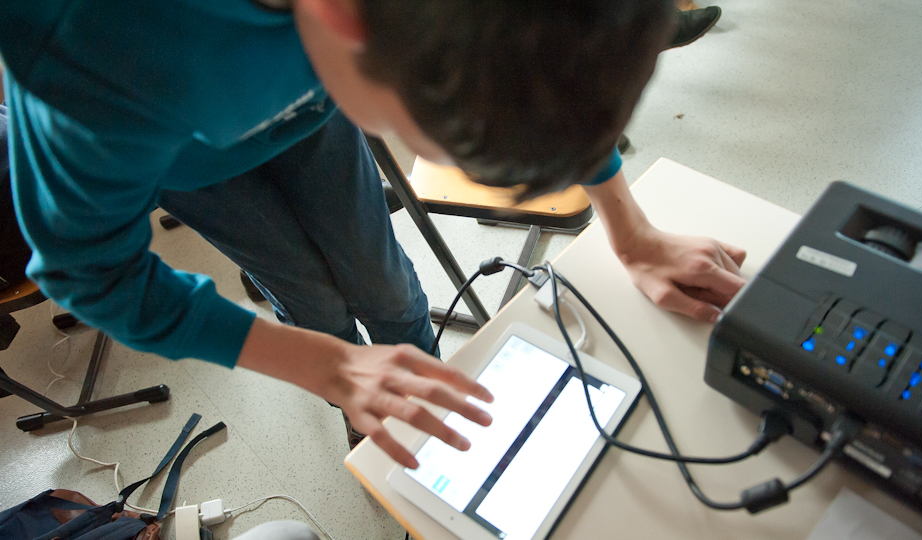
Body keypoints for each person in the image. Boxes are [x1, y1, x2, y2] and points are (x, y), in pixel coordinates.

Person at [0, 0, 746, 469]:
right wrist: (325, 366)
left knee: (383, 279)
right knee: (312, 301)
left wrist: (632, 230)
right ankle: (357, 398)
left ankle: (414, 389)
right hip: (191, 165)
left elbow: (547, 52)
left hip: (312, 111)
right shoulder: (87, 40)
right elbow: (92, 272)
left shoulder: (383, 37)